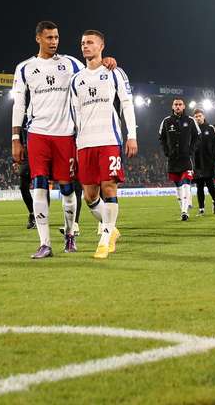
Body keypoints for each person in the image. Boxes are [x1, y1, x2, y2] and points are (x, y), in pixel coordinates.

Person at [11, 21, 115, 258]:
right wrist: (16, 137)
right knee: (38, 186)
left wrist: (107, 61)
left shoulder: (70, 63)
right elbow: (19, 104)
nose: (54, 42)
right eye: (49, 38)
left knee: (68, 190)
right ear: (38, 38)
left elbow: (93, 68)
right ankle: (44, 243)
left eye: (56, 37)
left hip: (66, 135)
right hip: (37, 133)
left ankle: (70, 235)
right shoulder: (25, 68)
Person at [70, 29, 137, 259]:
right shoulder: (76, 80)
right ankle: (112, 228)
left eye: (90, 42)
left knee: (109, 187)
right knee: (89, 197)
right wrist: (74, 143)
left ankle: (105, 237)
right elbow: (74, 113)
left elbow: (127, 103)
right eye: (82, 43)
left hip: (108, 138)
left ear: (101, 46)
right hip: (85, 143)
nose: (85, 46)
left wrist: (132, 135)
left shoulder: (115, 72)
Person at [159, 98, 201, 221]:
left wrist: (191, 151)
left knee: (186, 184)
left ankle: (184, 211)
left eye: (180, 104)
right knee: (178, 186)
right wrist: (167, 151)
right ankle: (182, 209)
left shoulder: (190, 120)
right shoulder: (166, 121)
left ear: (184, 106)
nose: (178, 106)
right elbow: (161, 138)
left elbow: (197, 137)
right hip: (172, 160)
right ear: (172, 107)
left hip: (186, 159)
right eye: (176, 104)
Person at [192, 109, 215, 215]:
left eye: (199, 116)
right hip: (197, 163)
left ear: (203, 116)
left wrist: (213, 158)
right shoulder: (192, 130)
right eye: (196, 116)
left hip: (209, 163)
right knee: (199, 187)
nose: (198, 118)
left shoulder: (211, 128)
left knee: (210, 185)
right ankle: (201, 209)